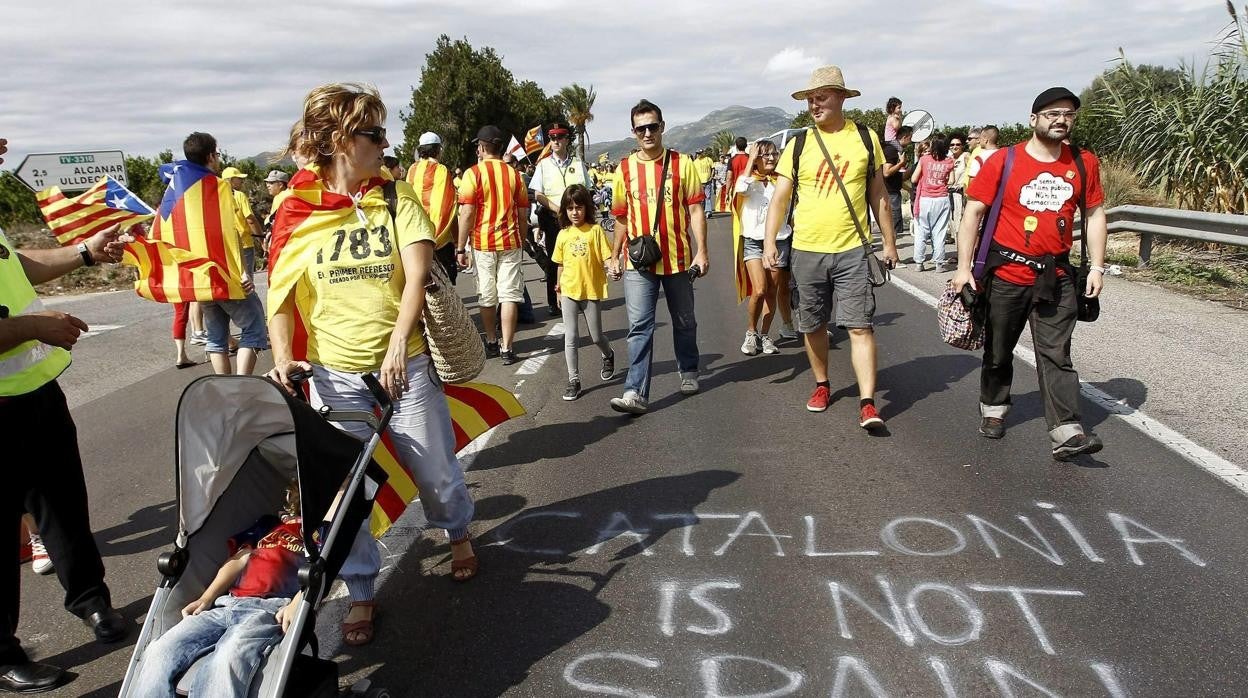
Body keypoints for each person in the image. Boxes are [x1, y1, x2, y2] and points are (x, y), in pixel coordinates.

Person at [267, 83, 480, 647]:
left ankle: (456, 530)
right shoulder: (294, 211)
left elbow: (416, 275)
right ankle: (361, 588)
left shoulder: (395, 196)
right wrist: (285, 358)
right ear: (340, 140)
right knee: (345, 493)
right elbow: (282, 297)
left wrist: (397, 344)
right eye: (375, 134)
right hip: (333, 377)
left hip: (403, 367)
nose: (387, 144)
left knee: (435, 468)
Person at [0, 137, 130, 690]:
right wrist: (36, 327)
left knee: (63, 507)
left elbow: (18, 265)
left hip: (33, 394)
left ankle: (90, 601)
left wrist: (83, 252)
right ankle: (2, 654)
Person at [951, 87, 1107, 460]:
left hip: (1057, 277)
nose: (1061, 120)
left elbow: (1095, 215)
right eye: (1052, 113)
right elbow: (973, 213)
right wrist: (962, 269)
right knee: (999, 350)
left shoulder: (1084, 162)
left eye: (1068, 114)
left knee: (1056, 354)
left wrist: (1097, 267)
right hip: (1006, 273)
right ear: (1033, 119)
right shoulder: (1004, 161)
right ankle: (993, 406)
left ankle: (1066, 430)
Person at [762, 66, 899, 429]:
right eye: (809, 99)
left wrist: (888, 242)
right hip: (806, 250)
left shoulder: (866, 139)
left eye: (820, 97)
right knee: (813, 325)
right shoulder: (799, 144)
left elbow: (879, 196)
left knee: (860, 326)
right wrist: (771, 242)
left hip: (854, 249)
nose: (813, 104)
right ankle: (822, 384)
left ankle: (868, 403)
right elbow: (779, 198)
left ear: (841, 97)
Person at [130, 482, 306, 698]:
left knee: (229, 657)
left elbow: (320, 570)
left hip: (269, 609)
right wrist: (207, 597)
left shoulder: (320, 532)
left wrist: (299, 601)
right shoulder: (269, 524)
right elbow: (238, 559)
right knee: (159, 651)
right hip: (227, 603)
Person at [608, 99, 708, 415]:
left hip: (678, 259)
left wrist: (702, 250)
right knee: (639, 326)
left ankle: (689, 370)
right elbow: (621, 217)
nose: (648, 133)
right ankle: (635, 392)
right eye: (641, 128)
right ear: (634, 132)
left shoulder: (682, 164)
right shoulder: (624, 169)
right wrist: (614, 255)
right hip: (639, 261)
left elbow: (695, 209)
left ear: (662, 127)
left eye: (653, 126)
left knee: (684, 321)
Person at [186, 135, 269, 376]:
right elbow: (229, 233)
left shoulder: (180, 192)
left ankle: (224, 386)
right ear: (211, 156)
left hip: (201, 276)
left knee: (216, 334)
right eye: (217, 154)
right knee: (254, 327)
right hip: (225, 270)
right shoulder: (218, 189)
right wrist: (243, 271)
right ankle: (242, 384)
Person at [456, 125, 531, 365]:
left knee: (487, 296)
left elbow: (467, 212)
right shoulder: (514, 175)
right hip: (510, 242)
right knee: (509, 295)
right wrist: (521, 238)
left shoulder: (472, 174)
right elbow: (522, 215)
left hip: (483, 243)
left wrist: (460, 247)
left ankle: (490, 340)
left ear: (482, 147)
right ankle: (507, 348)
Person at [552, 185, 617, 401]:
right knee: (570, 337)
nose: (574, 212)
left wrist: (612, 268)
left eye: (578, 207)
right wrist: (559, 290)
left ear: (586, 208)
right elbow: (560, 265)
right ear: (564, 211)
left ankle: (608, 354)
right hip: (569, 290)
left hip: (590, 291)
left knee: (596, 336)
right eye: (570, 208)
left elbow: (606, 257)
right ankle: (574, 380)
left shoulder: (595, 231)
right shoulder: (563, 234)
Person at [733, 139, 793, 355]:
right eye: (765, 155)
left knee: (771, 291)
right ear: (756, 158)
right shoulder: (750, 182)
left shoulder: (782, 181)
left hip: (780, 241)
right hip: (753, 242)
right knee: (758, 290)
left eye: (773, 154)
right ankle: (751, 332)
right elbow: (740, 189)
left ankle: (766, 335)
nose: (770, 158)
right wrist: (750, 160)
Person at [530, 121, 592, 317]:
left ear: (567, 139)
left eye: (559, 137)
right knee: (554, 260)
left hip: (576, 219)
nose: (555, 141)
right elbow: (538, 194)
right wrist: (557, 209)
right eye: (552, 138)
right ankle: (553, 302)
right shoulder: (543, 165)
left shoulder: (577, 163)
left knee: (579, 256)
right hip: (553, 218)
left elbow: (586, 190)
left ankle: (580, 296)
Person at [405, 131, 459, 286]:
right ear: (438, 150)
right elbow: (447, 208)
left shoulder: (411, 169)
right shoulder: (441, 170)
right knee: (445, 283)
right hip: (440, 239)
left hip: (417, 235)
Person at [910, 132, 956, 272]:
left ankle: (919, 263)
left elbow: (913, 179)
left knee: (921, 231)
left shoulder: (924, 159)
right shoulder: (949, 161)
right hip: (942, 199)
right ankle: (939, 264)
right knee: (940, 232)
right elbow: (952, 181)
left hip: (925, 199)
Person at [222, 166, 264, 274]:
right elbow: (250, 219)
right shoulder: (239, 195)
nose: (242, 181)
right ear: (231, 180)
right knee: (247, 280)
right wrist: (261, 239)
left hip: (227, 245)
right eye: (239, 179)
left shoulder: (219, 196)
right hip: (244, 243)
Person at [881, 125, 913, 241]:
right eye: (910, 138)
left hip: (894, 192)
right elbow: (886, 172)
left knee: (893, 229)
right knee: (891, 228)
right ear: (905, 137)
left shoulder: (897, 150)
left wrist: (912, 167)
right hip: (889, 193)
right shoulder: (891, 150)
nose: (910, 142)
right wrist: (901, 164)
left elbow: (900, 177)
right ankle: (890, 255)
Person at [947, 132, 971, 242]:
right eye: (952, 145)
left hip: (960, 194)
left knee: (959, 224)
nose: (954, 147)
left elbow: (971, 174)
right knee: (952, 224)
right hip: (948, 194)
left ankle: (961, 254)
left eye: (957, 144)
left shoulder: (966, 156)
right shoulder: (948, 158)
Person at [964, 124, 1000, 191]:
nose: (979, 141)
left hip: (983, 196)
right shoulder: (1006, 156)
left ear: (986, 140)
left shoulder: (979, 158)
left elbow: (972, 183)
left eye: (980, 138)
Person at [693, 149, 716, 218]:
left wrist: (711, 177)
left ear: (703, 153)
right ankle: (702, 211)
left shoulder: (708, 159)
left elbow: (713, 168)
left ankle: (708, 212)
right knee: (701, 198)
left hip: (707, 181)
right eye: (697, 153)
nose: (699, 155)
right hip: (699, 182)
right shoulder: (695, 162)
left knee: (708, 197)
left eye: (700, 153)